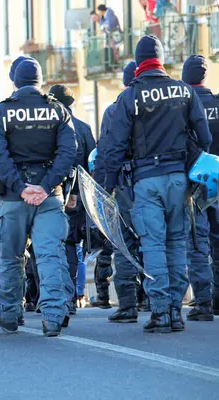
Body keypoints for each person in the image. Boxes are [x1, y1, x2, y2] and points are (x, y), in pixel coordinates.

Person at [96, 36, 211, 333]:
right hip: (179, 180)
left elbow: (114, 147)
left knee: (153, 245)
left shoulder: (130, 97)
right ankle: (176, 311)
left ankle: (159, 311)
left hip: (147, 181)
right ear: (161, 59)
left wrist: (106, 185)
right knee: (176, 244)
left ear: (139, 61)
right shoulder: (184, 91)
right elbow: (205, 138)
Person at [0, 59, 77, 336]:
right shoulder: (58, 111)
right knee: (50, 255)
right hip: (50, 196)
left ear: (15, 81)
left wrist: (20, 187)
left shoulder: (2, 111)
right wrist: (47, 186)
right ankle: (52, 317)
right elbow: (67, 154)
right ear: (40, 80)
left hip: (15, 198)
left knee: (11, 256)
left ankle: (9, 313)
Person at [94, 61, 145, 323]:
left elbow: (106, 151)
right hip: (150, 178)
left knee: (125, 243)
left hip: (124, 183)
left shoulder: (114, 110)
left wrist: (105, 187)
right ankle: (152, 299)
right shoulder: (153, 104)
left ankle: (128, 305)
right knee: (154, 240)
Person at [48, 84, 94, 316]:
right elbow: (92, 164)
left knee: (61, 246)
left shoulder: (53, 127)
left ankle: (65, 296)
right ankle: (76, 294)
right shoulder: (84, 128)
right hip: (80, 195)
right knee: (76, 247)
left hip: (60, 193)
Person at [181, 55, 219, 321]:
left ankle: (203, 302)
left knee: (197, 242)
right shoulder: (217, 103)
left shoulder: (183, 105)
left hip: (194, 184)